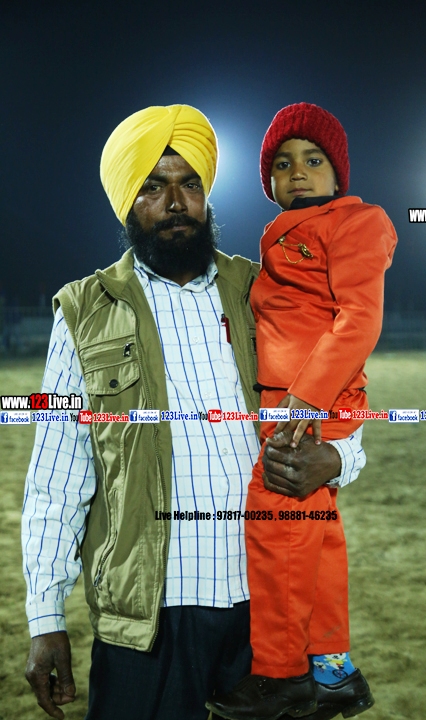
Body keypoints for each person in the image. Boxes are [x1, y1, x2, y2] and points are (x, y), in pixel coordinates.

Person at [22, 104, 367, 720]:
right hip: (146, 614)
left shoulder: (267, 290)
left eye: (190, 184)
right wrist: (45, 618)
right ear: (127, 202)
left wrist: (338, 458)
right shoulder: (84, 311)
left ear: (207, 195)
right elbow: (57, 479)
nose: (175, 202)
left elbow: (343, 394)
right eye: (153, 187)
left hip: (267, 608)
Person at [207, 102, 397, 720]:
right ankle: (334, 672)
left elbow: (360, 318)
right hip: (293, 399)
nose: (298, 172)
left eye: (313, 160)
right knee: (316, 533)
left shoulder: (356, 221)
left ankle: (281, 674)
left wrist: (305, 398)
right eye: (283, 164)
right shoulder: (284, 231)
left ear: (339, 172)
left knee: (276, 526)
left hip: (309, 402)